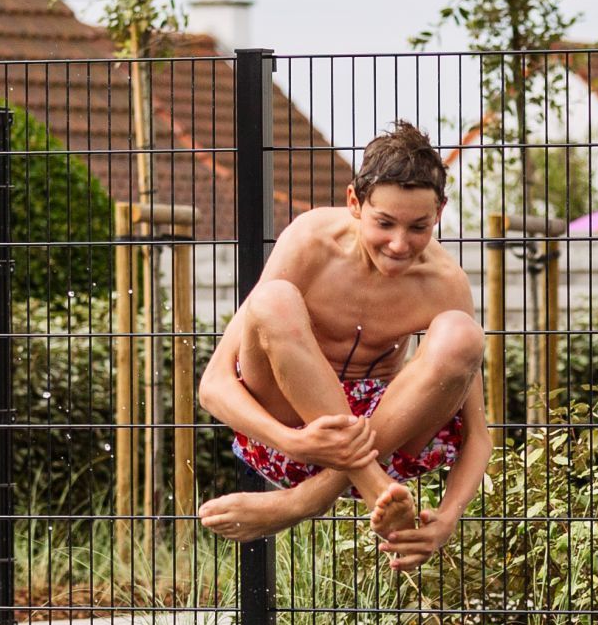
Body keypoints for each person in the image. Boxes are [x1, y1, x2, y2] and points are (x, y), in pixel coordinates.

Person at [197, 122, 491, 567]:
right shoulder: (310, 240)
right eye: (385, 223)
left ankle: (307, 501)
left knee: (463, 332)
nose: (399, 244)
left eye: (419, 227)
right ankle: (363, 483)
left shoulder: (445, 283)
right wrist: (293, 442)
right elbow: (214, 384)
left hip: (384, 445)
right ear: (355, 202)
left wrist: (447, 519)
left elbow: (477, 435)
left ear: (440, 212)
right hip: (291, 435)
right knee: (273, 299)